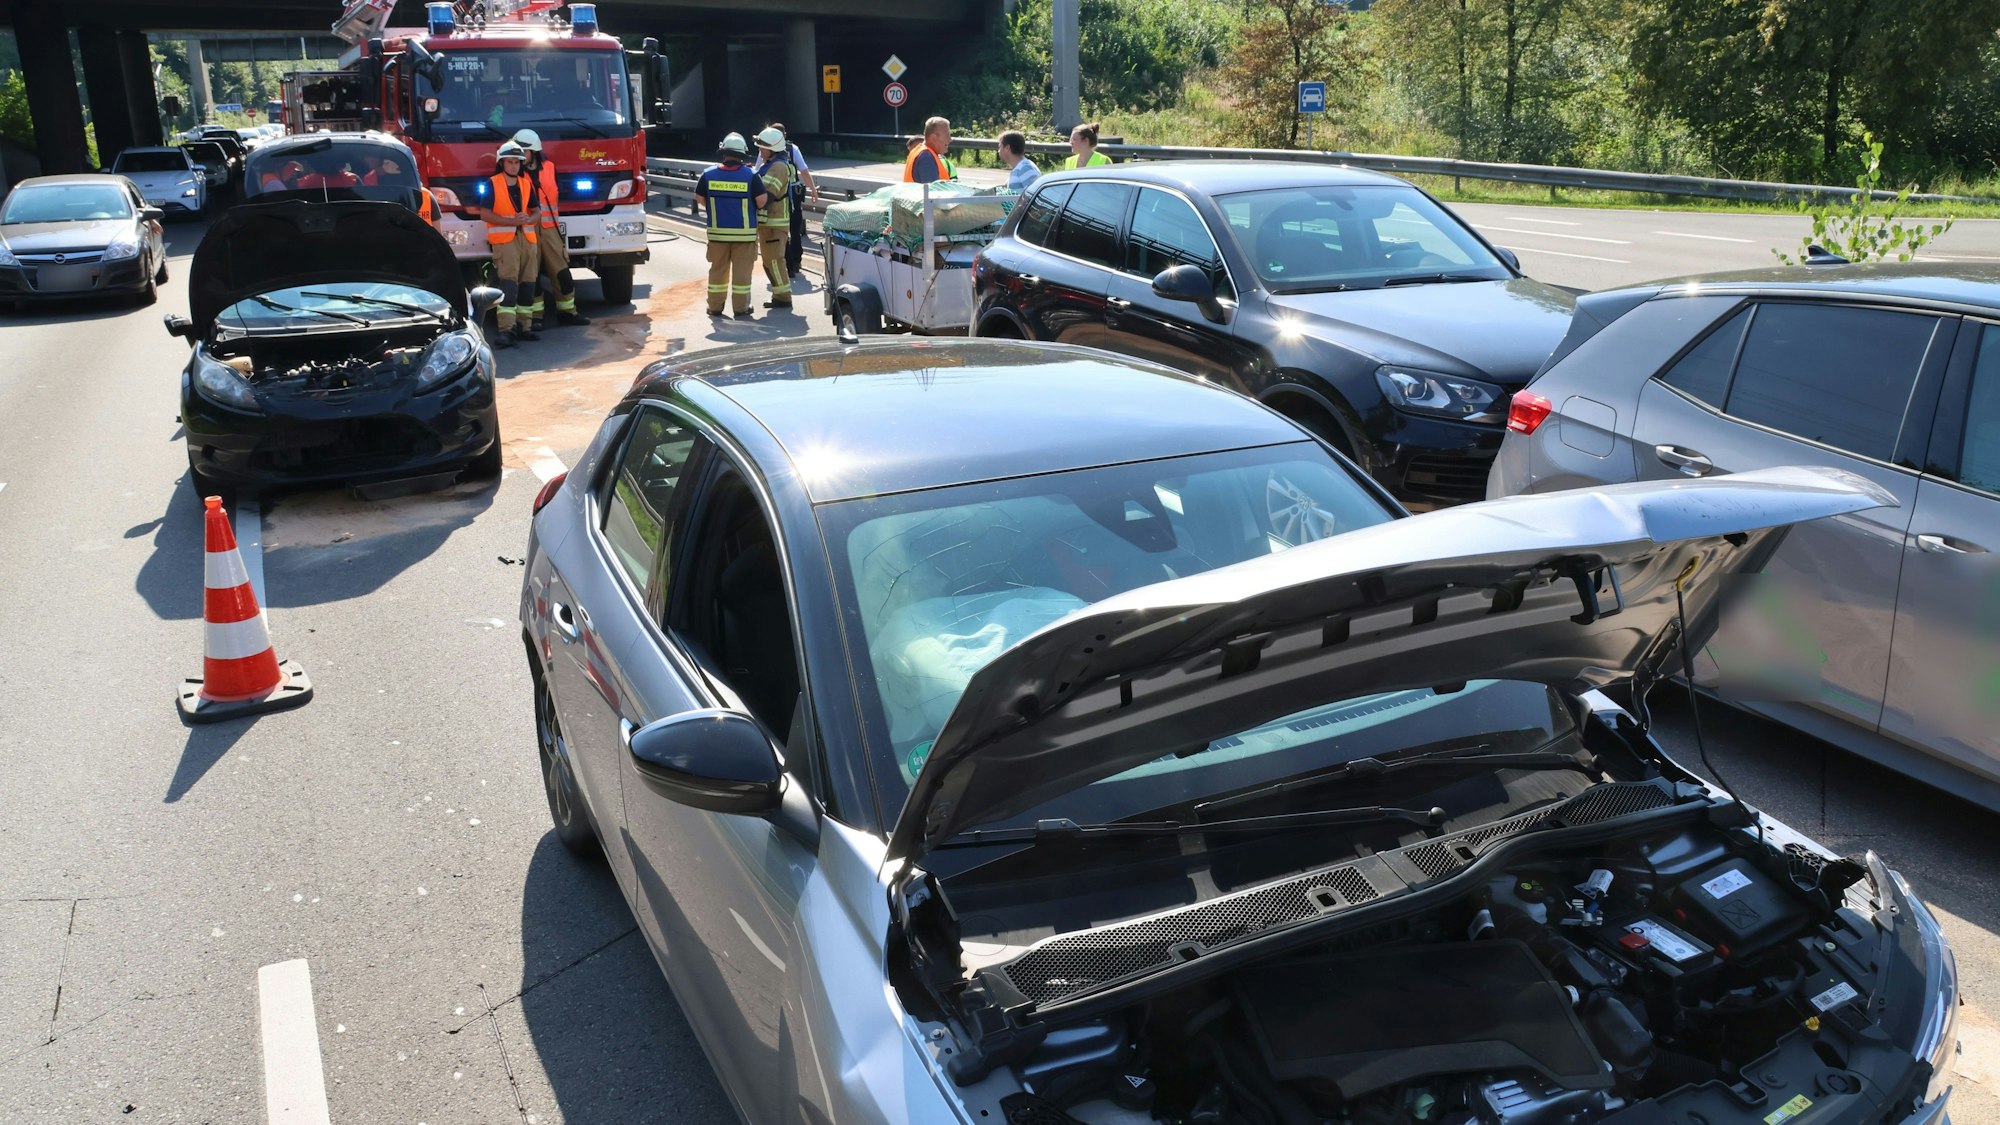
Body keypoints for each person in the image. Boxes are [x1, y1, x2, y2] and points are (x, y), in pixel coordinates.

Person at [513, 129, 591, 329]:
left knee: (562, 272)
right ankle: (536, 317)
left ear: (534, 151)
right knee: (532, 275)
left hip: (550, 229)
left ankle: (567, 312)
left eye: (523, 151)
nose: (520, 155)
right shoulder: (512, 173)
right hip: (527, 229)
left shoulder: (550, 168)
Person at [695, 132, 768, 318]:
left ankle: (715, 307)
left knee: (717, 271)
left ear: (724, 152)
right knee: (742, 275)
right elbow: (761, 201)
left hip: (717, 235)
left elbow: (700, 198)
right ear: (742, 154)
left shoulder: (708, 175)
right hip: (744, 237)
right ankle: (741, 308)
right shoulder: (751, 175)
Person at [476, 141, 542, 347]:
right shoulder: (491, 184)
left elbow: (537, 211)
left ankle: (525, 326)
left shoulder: (526, 184)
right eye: (509, 162)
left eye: (517, 162)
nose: (513, 165)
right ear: (502, 163)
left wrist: (529, 220)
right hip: (505, 241)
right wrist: (512, 221)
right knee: (509, 284)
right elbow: (484, 214)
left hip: (528, 239)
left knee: (528, 283)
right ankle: (507, 329)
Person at [751, 127, 796, 310]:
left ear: (773, 149)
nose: (760, 151)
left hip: (774, 223)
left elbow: (766, 196)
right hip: (768, 223)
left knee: (775, 261)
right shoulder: (772, 164)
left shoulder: (778, 167)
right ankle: (779, 295)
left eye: (763, 148)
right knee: (770, 261)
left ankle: (783, 297)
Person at [766, 122, 818, 276]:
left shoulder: (767, 150)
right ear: (785, 135)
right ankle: (796, 262)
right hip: (793, 196)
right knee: (795, 230)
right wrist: (813, 190)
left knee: (783, 232)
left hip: (777, 197)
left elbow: (757, 172)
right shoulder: (792, 149)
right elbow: (804, 171)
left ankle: (788, 265)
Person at [903, 116, 957, 184]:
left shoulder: (919, 151)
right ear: (933, 138)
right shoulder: (926, 156)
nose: (950, 139)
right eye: (947, 135)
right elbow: (933, 192)